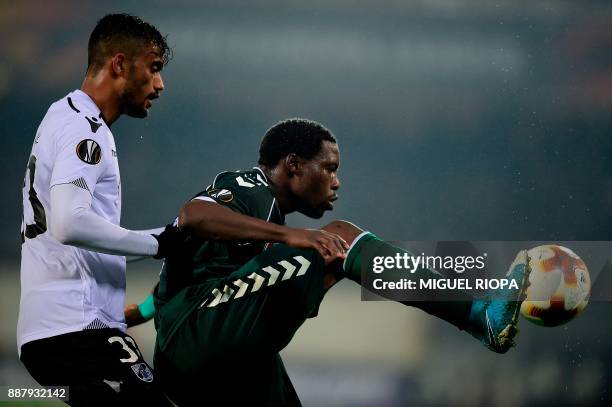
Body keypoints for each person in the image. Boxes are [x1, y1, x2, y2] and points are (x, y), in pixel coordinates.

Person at [152, 118, 530, 406]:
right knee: (341, 239)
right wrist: (293, 236)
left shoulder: (260, 220)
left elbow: (180, 270)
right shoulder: (249, 186)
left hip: (197, 360)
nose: (337, 182)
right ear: (294, 165)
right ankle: (476, 316)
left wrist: (135, 311)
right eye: (329, 168)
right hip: (197, 338)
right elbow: (193, 215)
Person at [18, 13, 181, 406]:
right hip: (74, 326)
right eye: (154, 68)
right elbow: (69, 223)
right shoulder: (84, 128)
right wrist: (159, 242)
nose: (160, 84)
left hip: (54, 329)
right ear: (120, 64)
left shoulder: (62, 115)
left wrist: (134, 310)